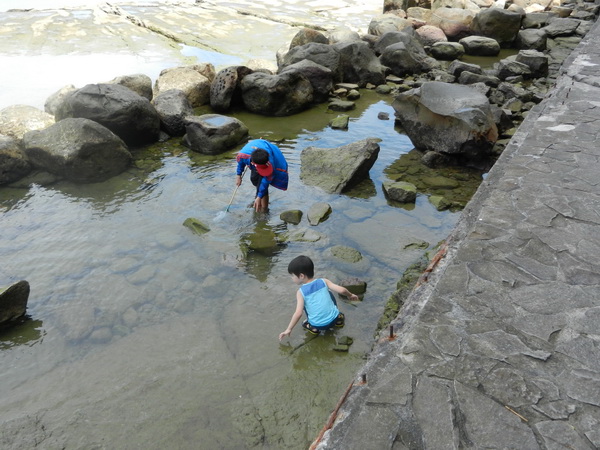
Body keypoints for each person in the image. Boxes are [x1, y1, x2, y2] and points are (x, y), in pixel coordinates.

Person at [278, 255, 359, 340]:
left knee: (304, 306)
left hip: (318, 325)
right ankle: (339, 321)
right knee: (329, 292)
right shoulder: (323, 281)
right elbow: (342, 290)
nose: (292, 278)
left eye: (292, 276)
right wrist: (351, 295)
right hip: (334, 318)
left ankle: (313, 329)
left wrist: (288, 329)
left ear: (301, 276)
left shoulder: (300, 292)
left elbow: (298, 313)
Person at [236, 139, 288, 212]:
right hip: (252, 159)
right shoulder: (242, 156)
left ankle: (264, 210)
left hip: (267, 152)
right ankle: (258, 198)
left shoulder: (270, 161)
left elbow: (265, 181)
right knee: (254, 179)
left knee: (262, 184)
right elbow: (240, 164)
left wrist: (260, 196)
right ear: (253, 163)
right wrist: (238, 175)